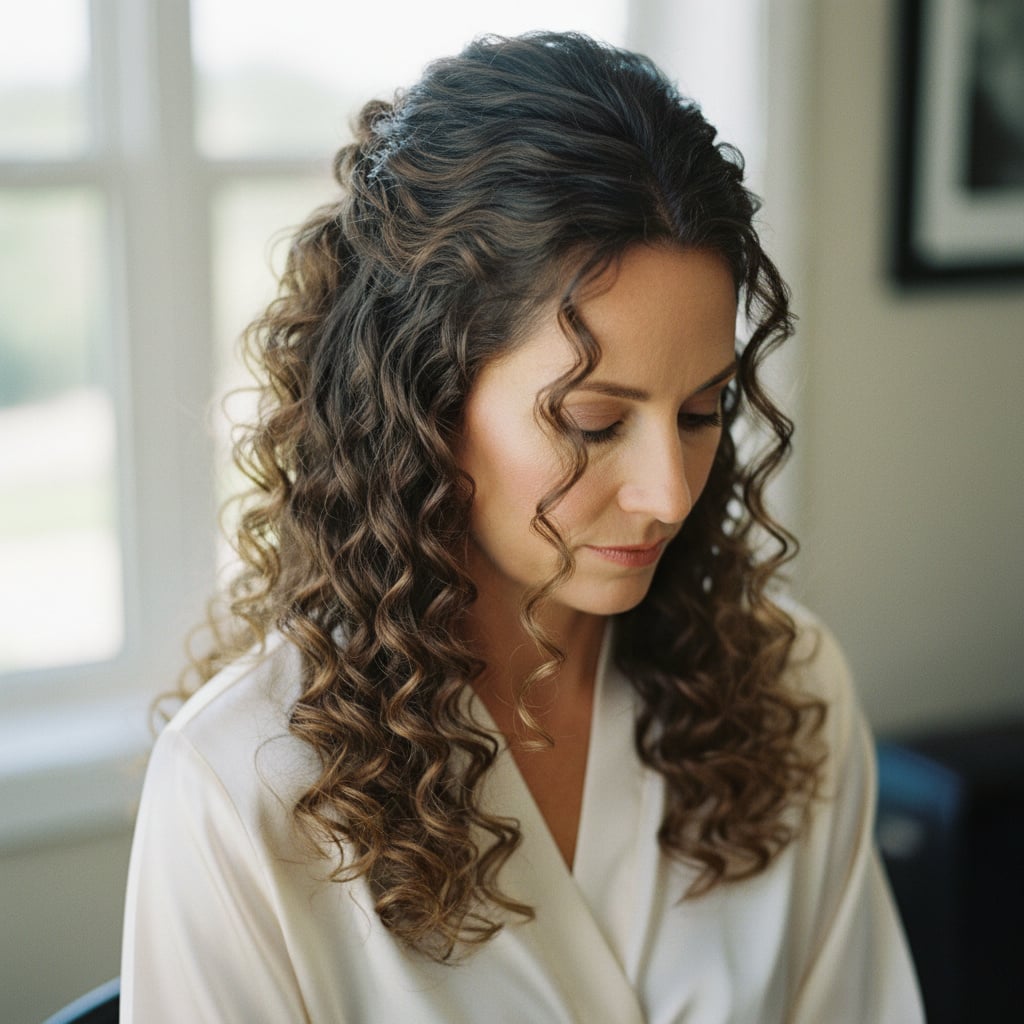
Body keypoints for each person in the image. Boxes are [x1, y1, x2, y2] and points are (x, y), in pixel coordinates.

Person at [121, 31, 924, 1023]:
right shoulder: (243, 789)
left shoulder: (788, 689)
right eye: (591, 423)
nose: (668, 494)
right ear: (423, 403)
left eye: (702, 412)